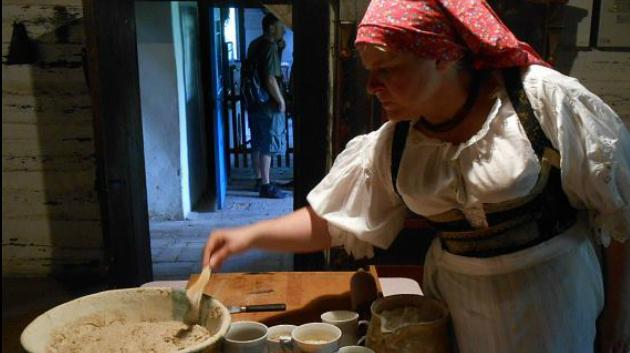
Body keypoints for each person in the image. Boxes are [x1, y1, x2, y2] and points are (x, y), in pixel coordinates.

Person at [204, 1, 629, 352]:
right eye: (368, 71)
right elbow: (331, 221)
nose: (372, 86)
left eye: (387, 69)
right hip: (458, 313)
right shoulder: (396, 144)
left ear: (443, 56)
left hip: (554, 306)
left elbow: (620, 210)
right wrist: (247, 237)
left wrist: (617, 319)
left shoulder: (540, 104)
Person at [245, 13, 287, 199]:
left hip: (253, 100)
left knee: (257, 141)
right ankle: (266, 185)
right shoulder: (269, 47)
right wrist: (281, 100)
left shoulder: (254, 44)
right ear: (271, 28)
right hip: (267, 103)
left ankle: (258, 178)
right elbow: (270, 79)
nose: (283, 30)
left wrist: (280, 49)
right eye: (280, 26)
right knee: (268, 144)